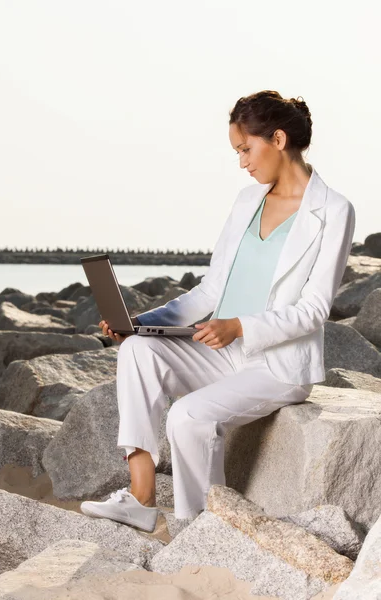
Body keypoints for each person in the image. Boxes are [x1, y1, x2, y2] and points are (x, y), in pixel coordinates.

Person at [80, 90, 356, 533]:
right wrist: (144, 323)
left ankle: (200, 529)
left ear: (279, 139)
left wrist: (239, 326)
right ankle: (140, 497)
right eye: (238, 152)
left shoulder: (334, 210)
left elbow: (315, 309)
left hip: (277, 366)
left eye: (246, 149)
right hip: (218, 351)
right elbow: (210, 291)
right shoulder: (247, 201)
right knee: (136, 350)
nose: (243, 162)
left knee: (186, 416)